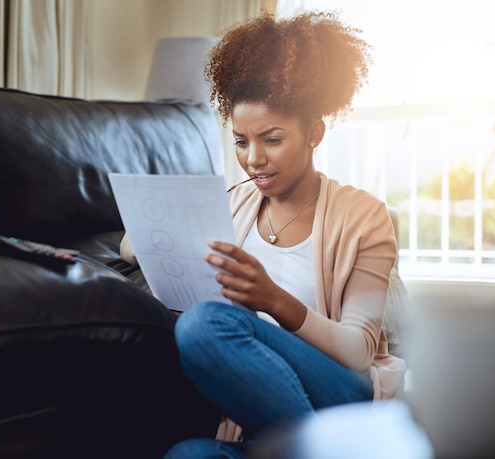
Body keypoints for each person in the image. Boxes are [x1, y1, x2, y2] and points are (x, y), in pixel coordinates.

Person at [121, 10, 406, 459]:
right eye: (240, 141)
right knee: (187, 455)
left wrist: (273, 299)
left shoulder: (363, 216)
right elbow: (129, 242)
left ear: (313, 133)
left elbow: (357, 352)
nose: (253, 158)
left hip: (345, 398)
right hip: (259, 422)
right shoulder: (231, 202)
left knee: (204, 325)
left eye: (271, 139)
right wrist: (160, 234)